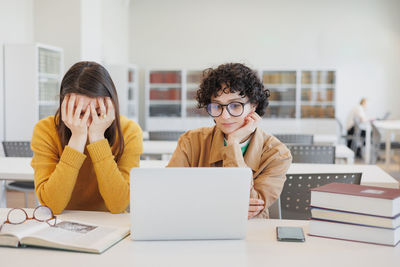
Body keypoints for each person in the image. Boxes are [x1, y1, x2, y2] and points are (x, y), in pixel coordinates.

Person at [167, 63, 292, 219]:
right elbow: (170, 196)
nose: (224, 116)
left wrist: (233, 143)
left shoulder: (277, 154)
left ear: (253, 105)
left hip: (252, 233)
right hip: (197, 227)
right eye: (217, 106)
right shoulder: (191, 141)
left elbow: (252, 207)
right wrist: (223, 205)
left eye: (235, 105)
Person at [31, 61, 143, 214]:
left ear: (111, 105)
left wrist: (97, 137)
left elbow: (118, 205)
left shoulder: (129, 131)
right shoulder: (45, 130)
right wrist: (77, 138)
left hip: (110, 224)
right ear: (64, 105)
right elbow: (53, 205)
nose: (89, 122)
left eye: (97, 112)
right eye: (79, 113)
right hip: (62, 222)